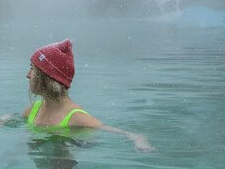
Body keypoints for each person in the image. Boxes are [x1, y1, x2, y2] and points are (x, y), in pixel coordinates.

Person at [16, 38, 154, 153]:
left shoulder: (77, 118)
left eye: (32, 69)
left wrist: (140, 141)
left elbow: (125, 134)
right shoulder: (32, 110)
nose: (27, 75)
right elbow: (16, 121)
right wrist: (4, 119)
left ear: (47, 77)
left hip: (62, 168)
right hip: (41, 165)